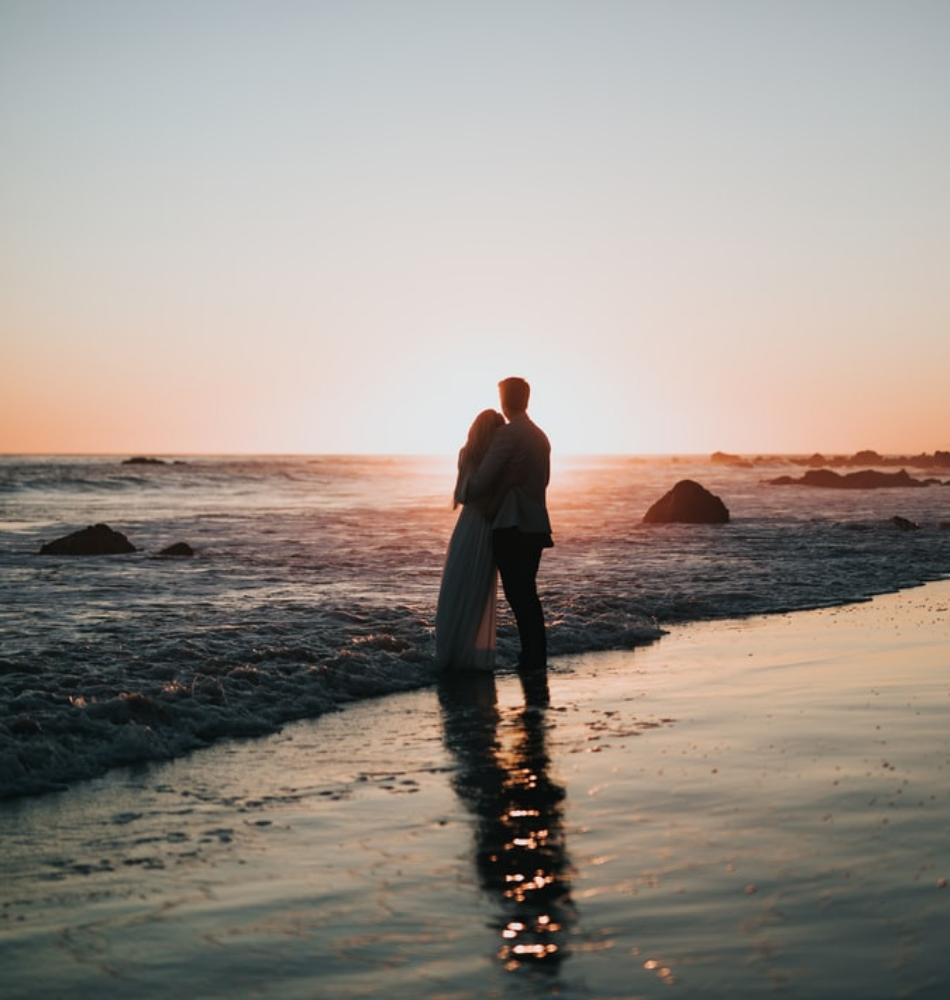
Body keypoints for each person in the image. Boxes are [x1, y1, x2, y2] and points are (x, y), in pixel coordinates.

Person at [463, 377, 553, 703]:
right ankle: (534, 660)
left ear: (504, 400)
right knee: (527, 596)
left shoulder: (508, 435)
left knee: (520, 597)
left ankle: (531, 662)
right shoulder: (540, 436)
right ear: (526, 399)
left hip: (512, 526)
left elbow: (479, 484)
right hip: (536, 524)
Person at [434, 408, 506, 672]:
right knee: (475, 589)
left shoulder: (471, 454)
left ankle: (453, 651)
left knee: (459, 586)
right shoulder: (492, 459)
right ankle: (466, 653)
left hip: (468, 526)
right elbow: (468, 493)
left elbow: (462, 495)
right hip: (485, 526)